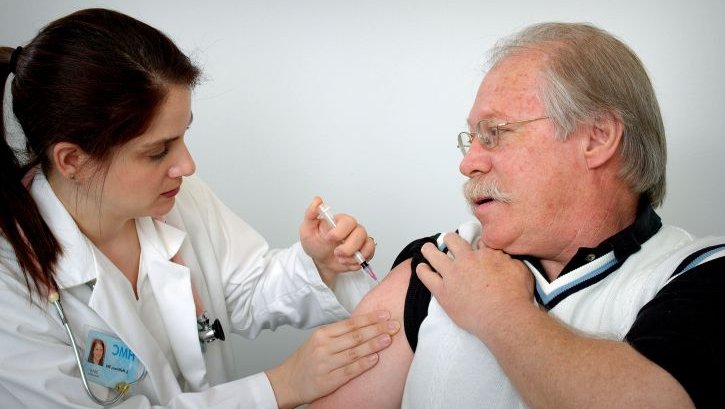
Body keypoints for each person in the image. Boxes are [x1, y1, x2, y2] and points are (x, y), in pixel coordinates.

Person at [310, 22, 725, 409]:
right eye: (470, 139)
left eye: (495, 133)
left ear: (597, 138)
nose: (469, 163)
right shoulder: (437, 264)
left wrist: (502, 314)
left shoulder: (701, 274)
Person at [0, 8, 400, 409]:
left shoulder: (173, 196)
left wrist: (319, 263)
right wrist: (280, 386)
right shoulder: (10, 281)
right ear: (73, 161)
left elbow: (247, 289)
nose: (187, 166)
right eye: (157, 151)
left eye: (182, 134)